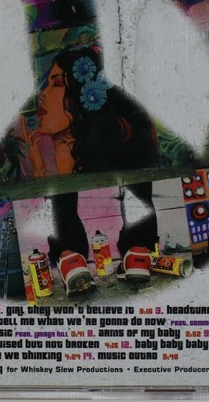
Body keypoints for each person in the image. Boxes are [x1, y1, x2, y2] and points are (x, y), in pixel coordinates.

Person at [23, 45, 173, 265]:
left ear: (84, 97)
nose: (42, 94)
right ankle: (72, 254)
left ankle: (136, 248)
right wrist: (48, 158)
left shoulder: (117, 154)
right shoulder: (70, 150)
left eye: (57, 83)